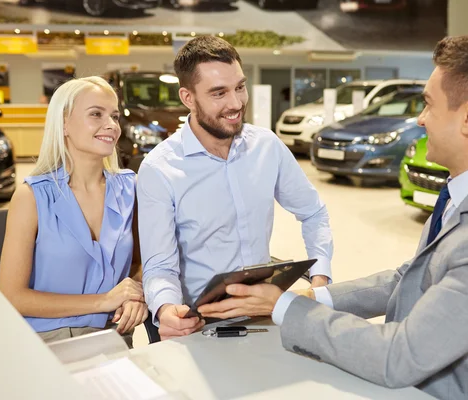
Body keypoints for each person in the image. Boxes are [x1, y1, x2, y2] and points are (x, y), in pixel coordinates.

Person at [198, 33, 468, 399]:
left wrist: (283, 306)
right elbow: (410, 278)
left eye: (429, 105)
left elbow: (398, 356)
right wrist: (314, 297)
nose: (420, 120)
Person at [137, 35, 333, 340]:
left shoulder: (266, 146)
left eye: (240, 87)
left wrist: (320, 279)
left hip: (264, 315)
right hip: (201, 326)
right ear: (188, 98)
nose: (236, 103)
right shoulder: (159, 169)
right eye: (219, 93)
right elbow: (159, 265)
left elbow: (313, 212)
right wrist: (165, 309)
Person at [0, 76, 147, 348]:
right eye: (96, 114)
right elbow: (12, 296)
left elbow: (141, 263)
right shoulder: (31, 197)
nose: (111, 125)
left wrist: (137, 293)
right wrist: (103, 301)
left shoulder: (130, 188)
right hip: (47, 343)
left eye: (114, 116)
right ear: (64, 124)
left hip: (114, 338)